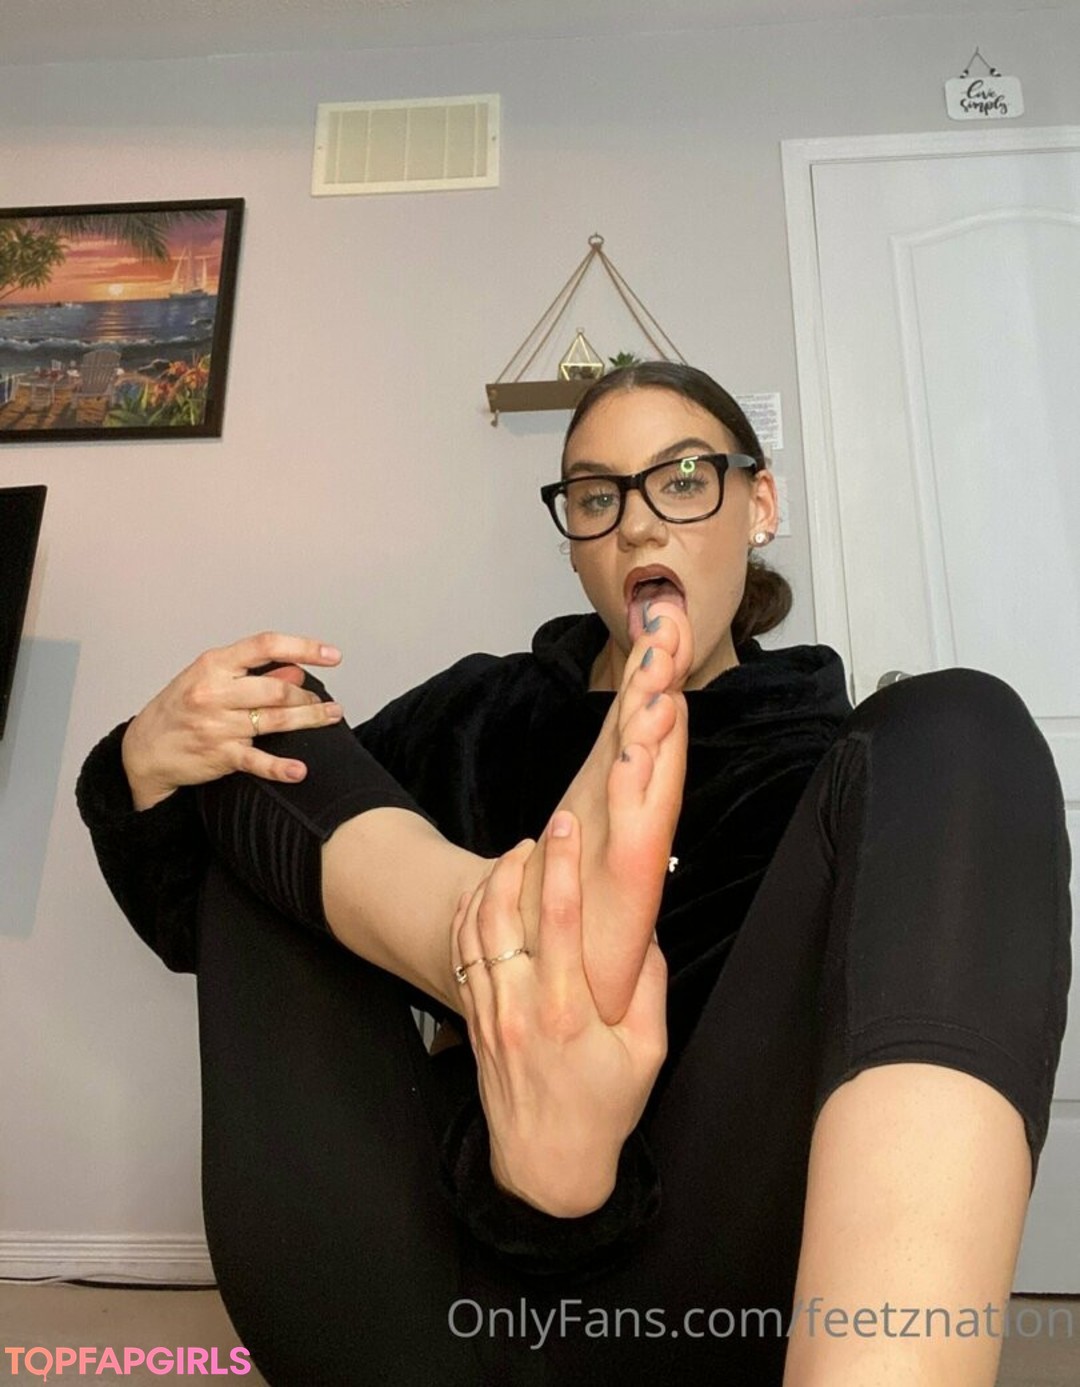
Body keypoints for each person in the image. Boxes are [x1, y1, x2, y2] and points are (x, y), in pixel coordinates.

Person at [76, 363, 1072, 1386]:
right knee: (268, 718)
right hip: (422, 1281)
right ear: (575, 541)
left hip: (702, 1305)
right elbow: (210, 918)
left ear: (760, 504)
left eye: (682, 479)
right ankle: (480, 923)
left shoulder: (835, 769)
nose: (637, 525)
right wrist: (137, 762)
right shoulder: (479, 713)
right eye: (598, 497)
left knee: (960, 725)